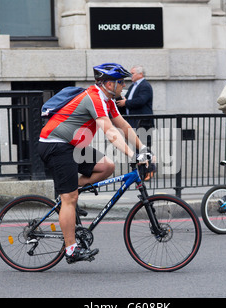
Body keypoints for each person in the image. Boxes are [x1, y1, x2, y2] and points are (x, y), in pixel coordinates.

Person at [37, 63, 151, 264]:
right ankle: (71, 249)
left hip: (72, 145)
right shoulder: (94, 97)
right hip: (56, 145)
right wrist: (132, 155)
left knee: (107, 166)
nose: (123, 86)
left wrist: (143, 150)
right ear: (108, 83)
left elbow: (123, 125)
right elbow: (110, 131)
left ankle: (69, 193)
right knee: (69, 197)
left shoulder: (108, 100)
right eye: (120, 82)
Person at [116, 65, 154, 147]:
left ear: (140, 74)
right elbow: (128, 99)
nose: (130, 75)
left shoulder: (145, 86)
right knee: (136, 146)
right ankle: (138, 160)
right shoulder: (133, 86)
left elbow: (141, 100)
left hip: (143, 123)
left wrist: (125, 103)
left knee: (143, 146)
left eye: (132, 73)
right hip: (133, 121)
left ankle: (146, 160)